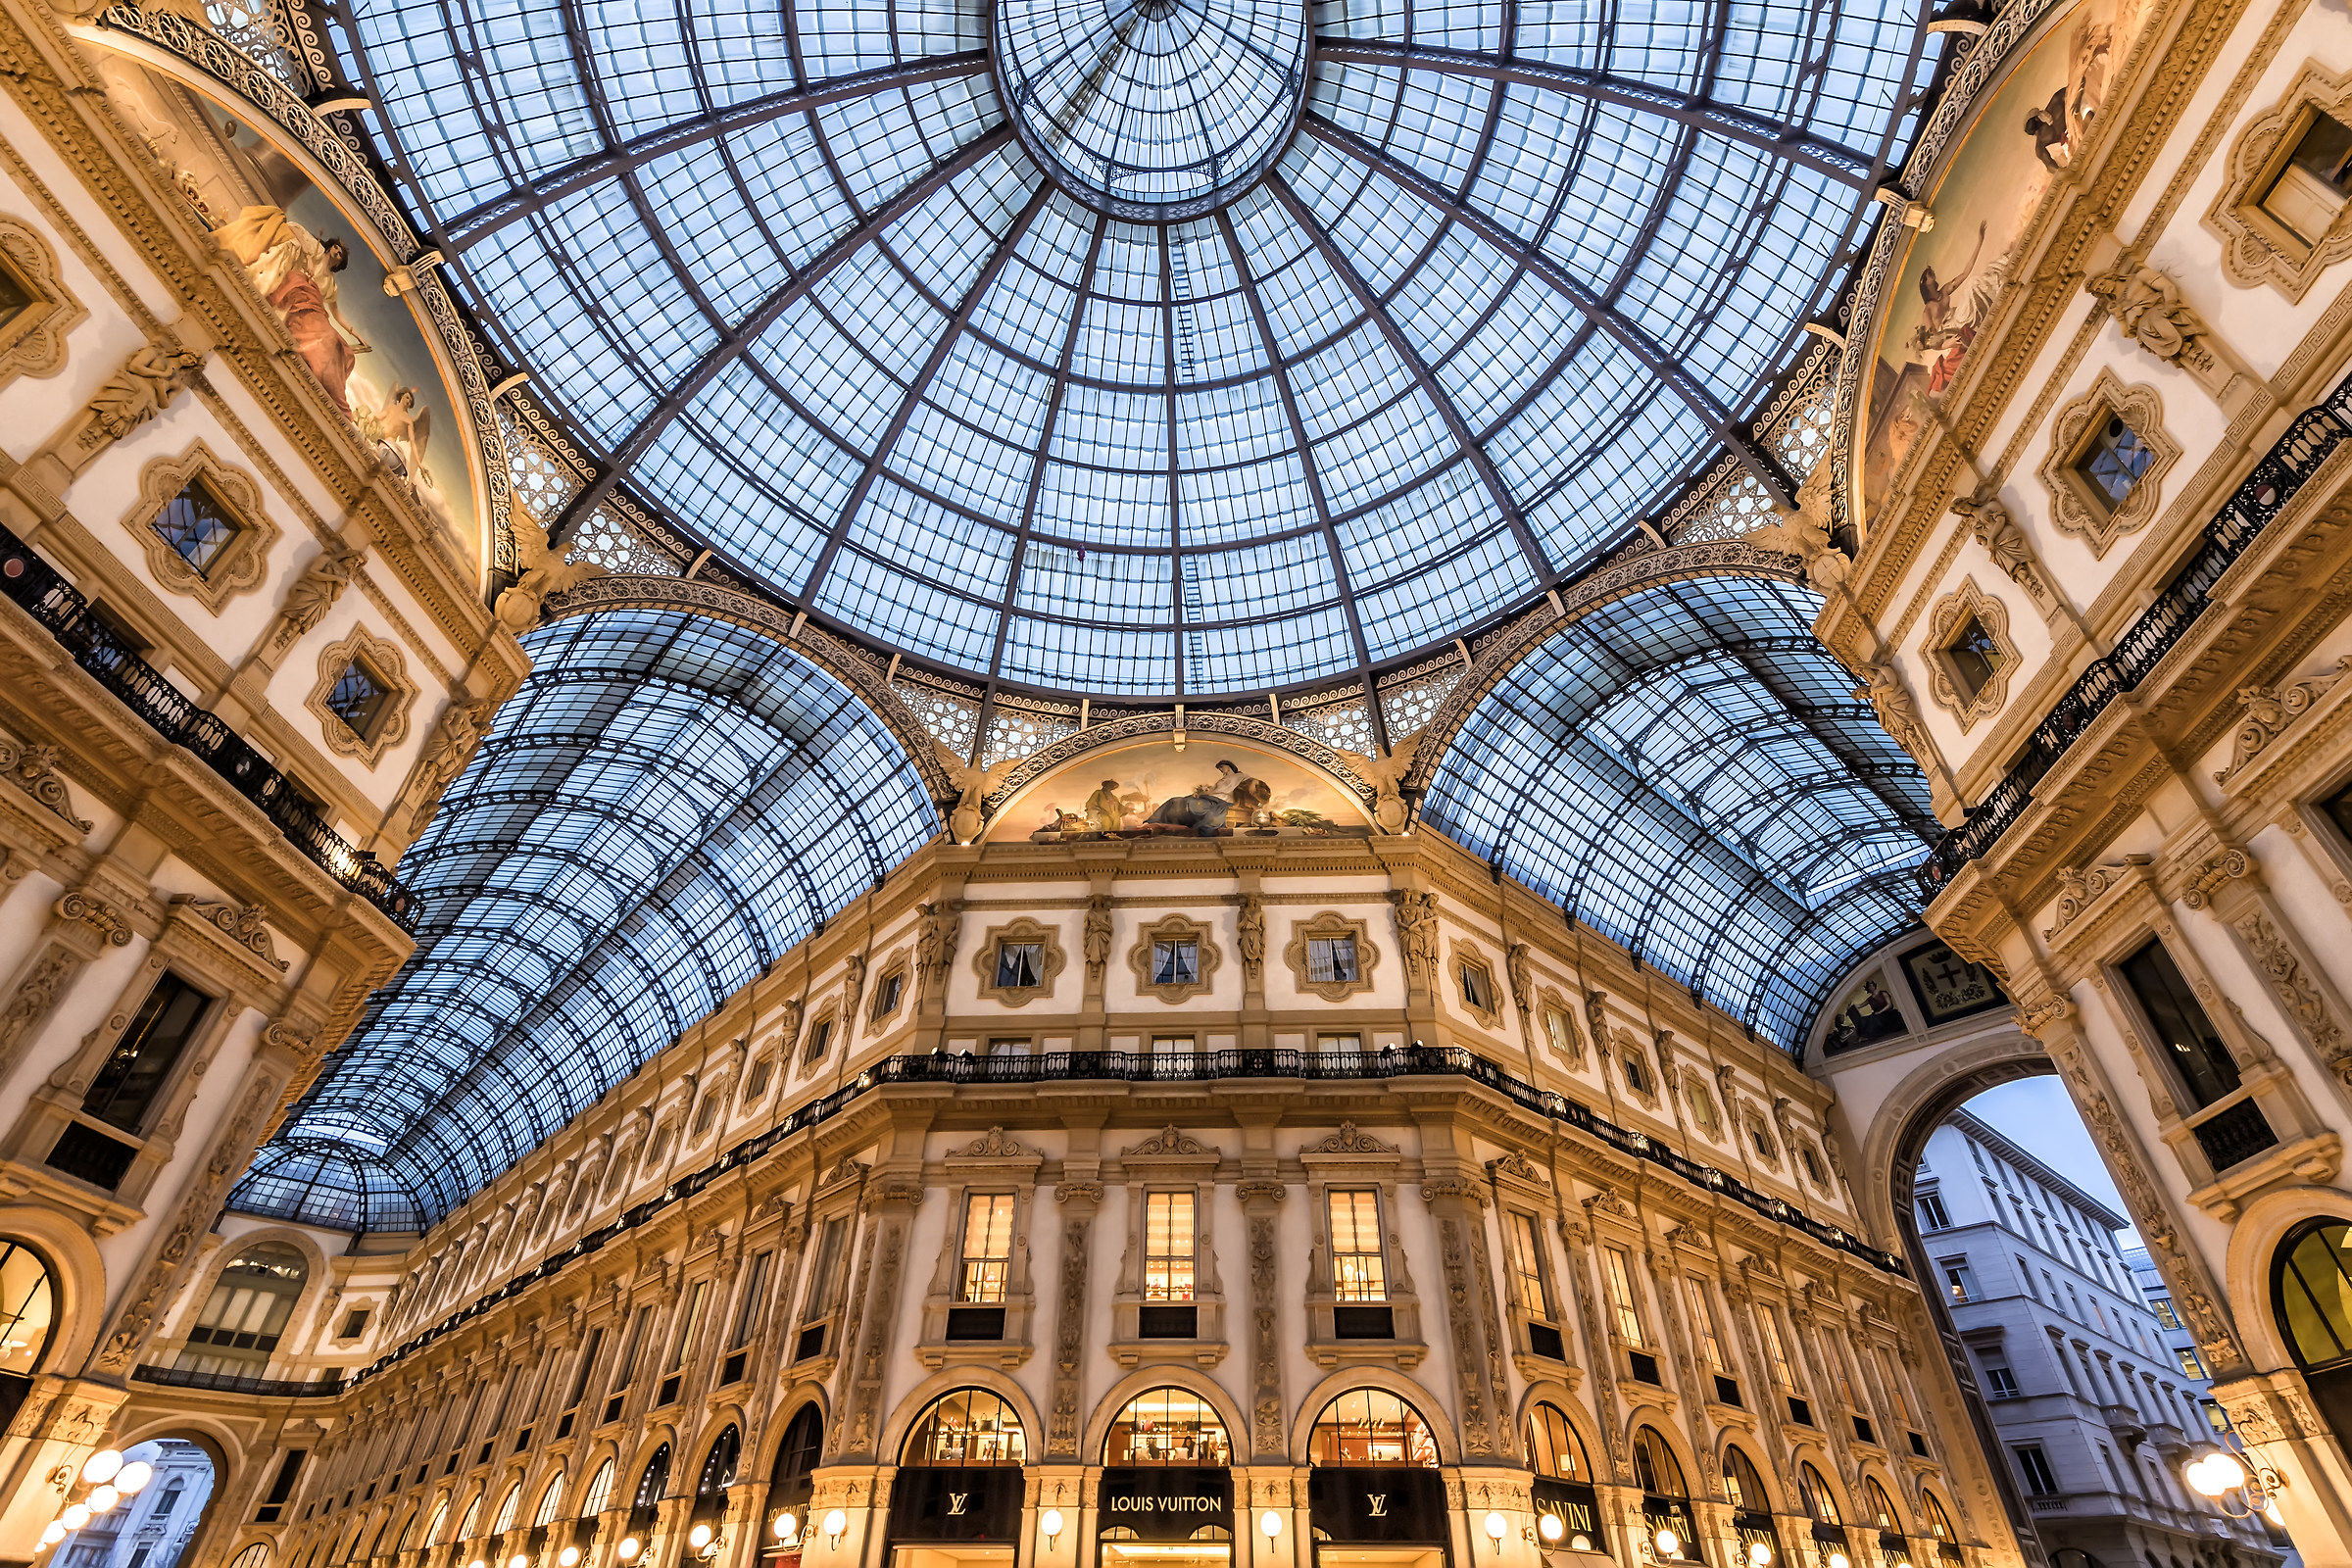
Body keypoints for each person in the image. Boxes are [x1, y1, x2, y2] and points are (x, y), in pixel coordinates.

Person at [214, 204, 370, 414]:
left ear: (341, 261)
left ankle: (330, 390)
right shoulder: (313, 251)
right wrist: (307, 251)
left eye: (340, 253)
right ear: (331, 246)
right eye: (336, 248)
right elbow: (294, 227)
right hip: (293, 294)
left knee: (342, 348)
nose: (336, 252)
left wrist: (356, 334)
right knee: (327, 339)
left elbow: (336, 314)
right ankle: (330, 389)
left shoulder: (331, 286)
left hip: (313, 310)